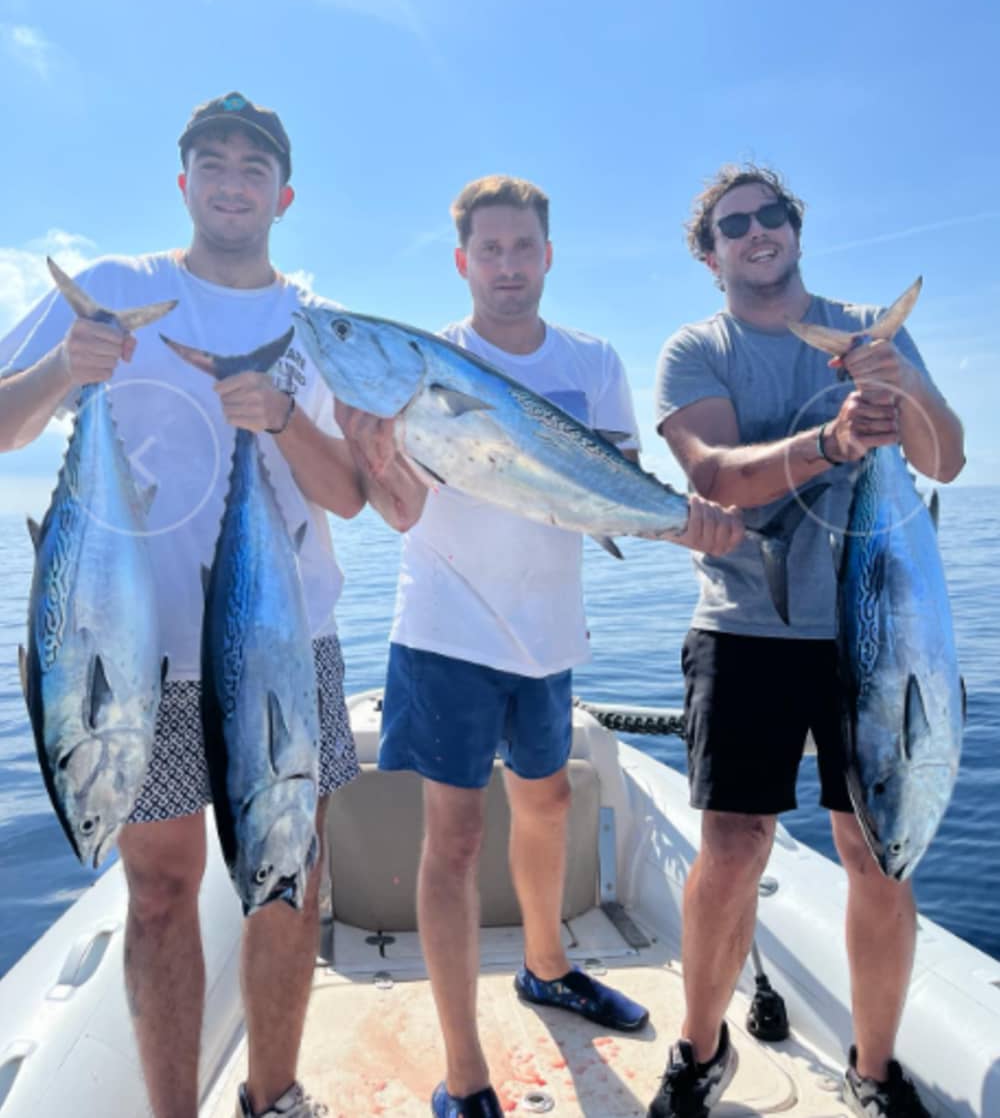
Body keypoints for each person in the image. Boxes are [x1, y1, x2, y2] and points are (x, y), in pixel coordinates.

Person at [0, 93, 410, 1118]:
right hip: (128, 655)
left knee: (285, 879)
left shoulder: (313, 325)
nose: (234, 181)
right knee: (162, 885)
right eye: (213, 163)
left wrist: (275, 416)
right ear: (184, 181)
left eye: (253, 166)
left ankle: (273, 1095)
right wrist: (65, 367)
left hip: (279, 638)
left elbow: (351, 496)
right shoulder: (107, 289)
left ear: (285, 192)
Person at [347, 174, 744, 1118]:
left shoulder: (594, 359)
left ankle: (546, 968)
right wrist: (371, 452)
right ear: (462, 261)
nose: (508, 265)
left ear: (549, 255)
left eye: (523, 247)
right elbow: (403, 512)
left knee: (551, 801)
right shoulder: (421, 362)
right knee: (454, 840)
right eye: (489, 249)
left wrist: (685, 524)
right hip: (446, 631)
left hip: (548, 634)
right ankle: (464, 1072)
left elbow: (608, 489)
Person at [647, 164, 965, 1118]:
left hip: (883, 628)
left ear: (795, 226)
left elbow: (944, 458)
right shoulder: (696, 349)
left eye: (771, 215)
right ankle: (702, 1050)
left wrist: (894, 384)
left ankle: (873, 1069)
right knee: (735, 846)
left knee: (876, 854)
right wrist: (833, 443)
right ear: (711, 258)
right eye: (733, 225)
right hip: (745, 630)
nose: (757, 232)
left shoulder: (873, 328)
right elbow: (714, 478)